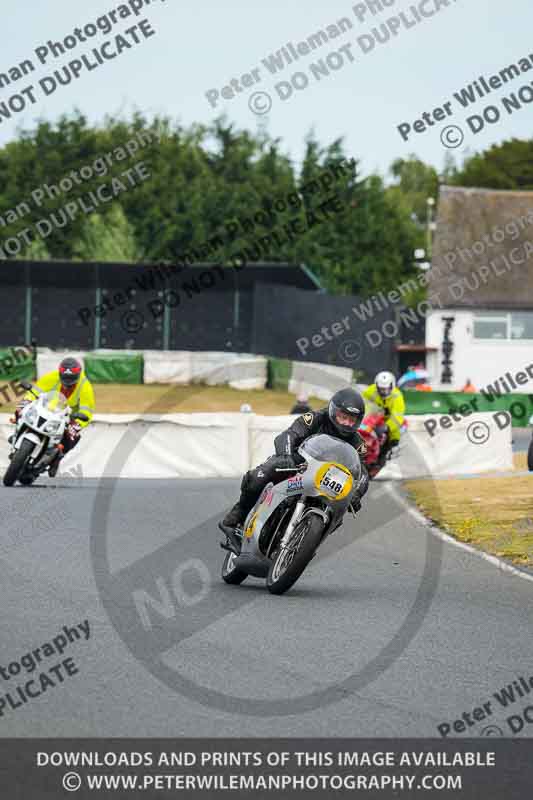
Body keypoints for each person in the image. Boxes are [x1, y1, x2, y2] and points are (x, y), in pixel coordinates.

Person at [222, 387, 370, 535]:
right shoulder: (315, 418)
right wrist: (286, 456)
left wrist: (356, 494)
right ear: (333, 411)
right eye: (343, 417)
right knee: (259, 476)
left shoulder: (358, 443)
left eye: (352, 420)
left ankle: (306, 542)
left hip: (326, 481)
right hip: (298, 463)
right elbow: (289, 434)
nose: (346, 423)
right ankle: (236, 517)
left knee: (340, 512)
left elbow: (362, 472)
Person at [16, 357, 95, 477]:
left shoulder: (85, 386)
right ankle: (16, 435)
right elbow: (34, 392)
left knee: (72, 436)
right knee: (20, 412)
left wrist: (76, 424)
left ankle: (57, 457)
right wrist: (25, 402)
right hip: (46, 409)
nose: (68, 382)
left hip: (69, 416)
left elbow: (87, 411)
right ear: (60, 373)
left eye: (72, 379)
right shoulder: (51, 377)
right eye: (65, 378)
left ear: (78, 375)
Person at [362, 371, 405, 468]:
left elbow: (397, 417)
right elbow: (363, 405)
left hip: (388, 421)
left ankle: (382, 457)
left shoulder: (397, 397)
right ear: (376, 386)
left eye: (386, 390)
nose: (383, 392)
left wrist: (387, 427)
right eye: (381, 389)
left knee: (392, 437)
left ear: (392, 386)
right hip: (373, 418)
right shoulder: (370, 391)